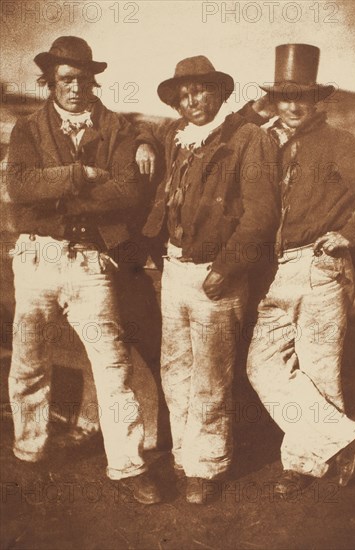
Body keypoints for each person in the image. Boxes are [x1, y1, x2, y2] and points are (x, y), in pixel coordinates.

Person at [6, 36, 161, 504]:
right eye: (65, 80)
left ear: (94, 81)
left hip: (90, 258)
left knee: (112, 365)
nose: (75, 88)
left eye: (83, 79)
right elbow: (19, 186)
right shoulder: (28, 128)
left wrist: (60, 191)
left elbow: (128, 191)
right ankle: (29, 451)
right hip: (37, 256)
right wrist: (79, 175)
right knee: (30, 361)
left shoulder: (115, 127)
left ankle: (129, 464)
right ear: (51, 82)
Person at [242, 43, 355, 495]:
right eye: (283, 95)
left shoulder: (337, 143)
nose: (292, 104)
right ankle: (342, 439)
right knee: (263, 366)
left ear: (316, 101)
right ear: (272, 100)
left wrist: (350, 235)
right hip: (279, 271)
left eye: (302, 96)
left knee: (318, 369)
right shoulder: (268, 140)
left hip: (321, 268)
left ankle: (303, 464)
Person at [135, 55, 279, 503]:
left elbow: (261, 213)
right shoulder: (174, 136)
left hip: (217, 274)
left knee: (212, 376)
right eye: (184, 93)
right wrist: (142, 142)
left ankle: (208, 468)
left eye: (202, 90)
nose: (193, 100)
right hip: (175, 269)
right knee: (176, 370)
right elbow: (139, 129)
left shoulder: (249, 138)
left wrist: (227, 267)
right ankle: (184, 455)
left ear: (219, 93)